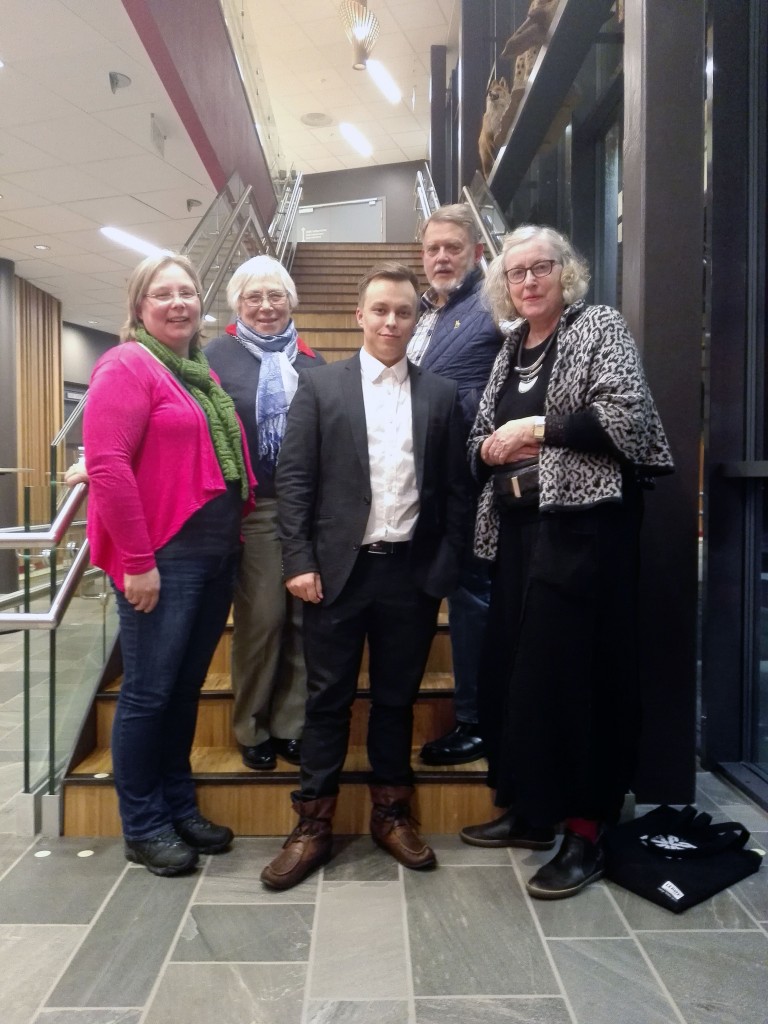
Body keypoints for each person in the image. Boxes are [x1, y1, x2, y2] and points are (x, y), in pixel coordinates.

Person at [459, 225, 673, 900]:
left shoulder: (598, 326)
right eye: (515, 273)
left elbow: (627, 417)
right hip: (519, 540)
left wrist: (534, 432)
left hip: (587, 536)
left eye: (539, 268)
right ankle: (533, 810)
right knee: (517, 676)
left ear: (565, 274)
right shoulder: (510, 348)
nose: (527, 281)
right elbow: (478, 440)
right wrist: (493, 448)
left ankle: (586, 832)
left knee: (580, 681)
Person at [260, 262, 470, 891]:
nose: (390, 321)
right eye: (379, 310)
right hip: (335, 576)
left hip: (408, 575)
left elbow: (456, 494)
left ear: (416, 319)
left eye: (403, 312)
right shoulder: (320, 388)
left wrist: (443, 569)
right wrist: (296, 561)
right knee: (326, 701)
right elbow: (293, 482)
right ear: (359, 315)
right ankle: (312, 825)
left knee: (396, 701)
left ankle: (390, 814)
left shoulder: (439, 394)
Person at [83, 253, 255, 877]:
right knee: (149, 694)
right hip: (163, 557)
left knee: (184, 689)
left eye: (187, 291)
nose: (179, 302)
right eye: (164, 293)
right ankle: (144, 823)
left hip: (214, 554)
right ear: (139, 306)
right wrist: (136, 561)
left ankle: (179, 805)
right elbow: (107, 465)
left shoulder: (196, 373)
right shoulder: (128, 364)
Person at [205, 255, 323, 772]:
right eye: (254, 297)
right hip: (254, 508)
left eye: (276, 296)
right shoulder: (215, 357)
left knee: (302, 619)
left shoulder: (312, 362)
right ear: (237, 304)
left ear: (291, 301)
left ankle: (290, 724)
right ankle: (250, 724)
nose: (266, 306)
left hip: (310, 508)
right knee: (263, 619)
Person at [409, 204, 504, 767]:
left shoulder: (496, 304)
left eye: (453, 247)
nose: (442, 257)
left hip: (472, 481)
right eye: (432, 249)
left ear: (476, 252)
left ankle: (477, 721)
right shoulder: (426, 314)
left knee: (472, 600)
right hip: (424, 484)